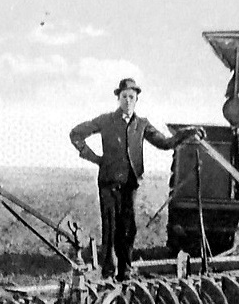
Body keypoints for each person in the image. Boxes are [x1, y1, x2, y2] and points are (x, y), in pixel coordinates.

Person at [69, 78, 203, 280]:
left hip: (130, 185)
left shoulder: (141, 125)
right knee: (110, 229)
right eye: (124, 97)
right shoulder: (106, 121)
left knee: (128, 229)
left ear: (137, 99)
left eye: (132, 97)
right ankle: (107, 273)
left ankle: (125, 272)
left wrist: (187, 133)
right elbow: (76, 134)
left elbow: (165, 143)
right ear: (118, 98)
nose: (128, 100)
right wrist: (94, 158)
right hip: (109, 183)